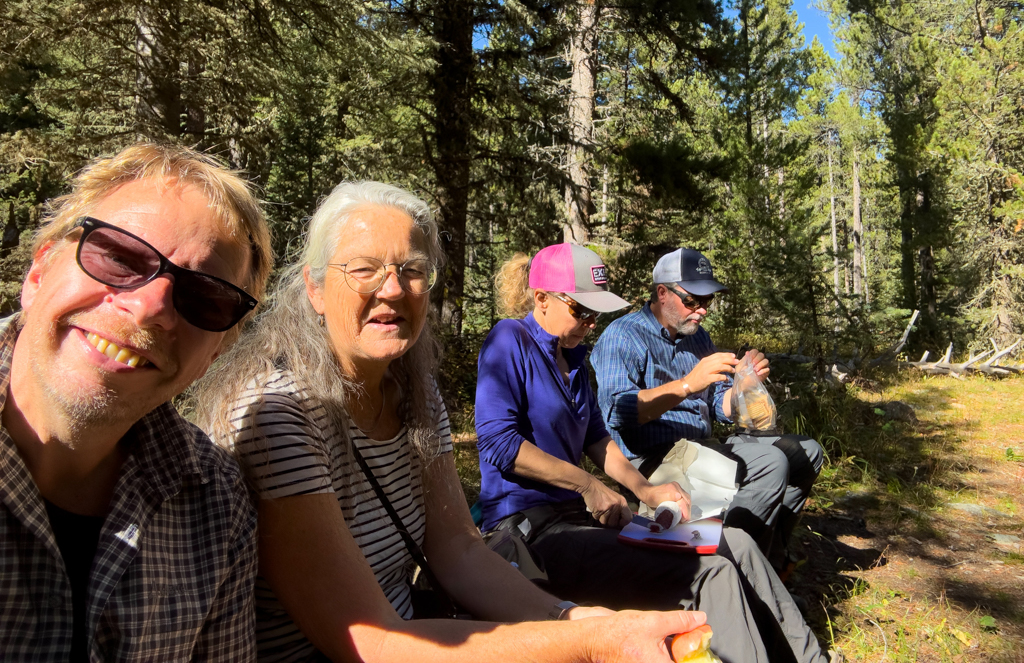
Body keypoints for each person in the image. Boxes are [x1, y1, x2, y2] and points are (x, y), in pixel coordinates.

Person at [197, 181, 708, 663]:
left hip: (419, 629)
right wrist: (579, 640)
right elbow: (365, 641)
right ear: (314, 287)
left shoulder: (416, 396)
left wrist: (568, 616)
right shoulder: (279, 412)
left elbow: (458, 548)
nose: (393, 289)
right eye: (364, 269)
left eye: (412, 271)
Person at [475, 243, 833, 663]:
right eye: (581, 312)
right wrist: (589, 486)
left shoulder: (571, 358)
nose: (590, 324)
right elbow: (499, 444)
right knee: (710, 572)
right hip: (533, 530)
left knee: (735, 541)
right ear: (541, 299)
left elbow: (597, 437)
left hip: (578, 520)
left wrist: (647, 492)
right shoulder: (510, 340)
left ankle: (811, 660)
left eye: (597, 315)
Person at [0, 143, 273, 661]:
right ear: (37, 275)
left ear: (215, 353)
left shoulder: (218, 507)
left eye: (203, 298)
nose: (150, 307)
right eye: (120, 256)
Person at [590, 247, 824, 574]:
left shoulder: (698, 337)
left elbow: (718, 405)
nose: (701, 311)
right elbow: (617, 412)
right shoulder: (623, 335)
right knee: (771, 463)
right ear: (662, 292)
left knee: (806, 452)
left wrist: (742, 387)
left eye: (708, 301)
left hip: (700, 447)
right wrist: (686, 384)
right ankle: (728, 573)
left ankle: (769, 562)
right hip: (652, 457)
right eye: (692, 301)